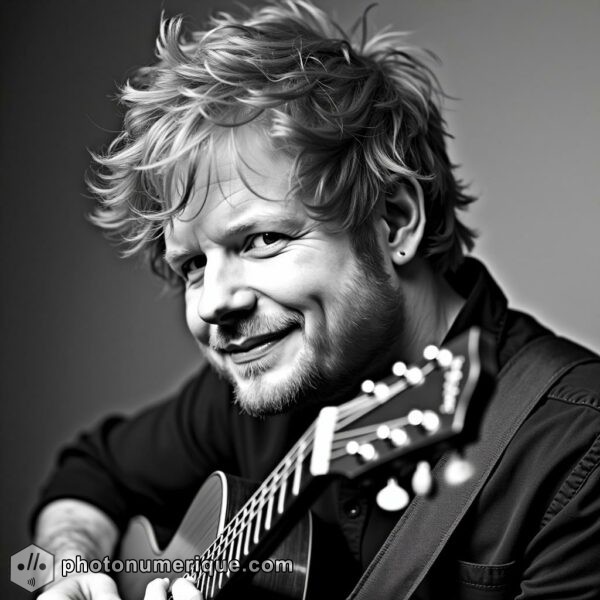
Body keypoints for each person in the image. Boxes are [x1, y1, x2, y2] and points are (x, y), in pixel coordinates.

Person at [32, 1, 600, 599]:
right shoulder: (256, 383)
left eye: (262, 240)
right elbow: (87, 475)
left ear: (396, 222)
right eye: (194, 265)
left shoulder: (574, 450)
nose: (211, 305)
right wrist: (69, 569)